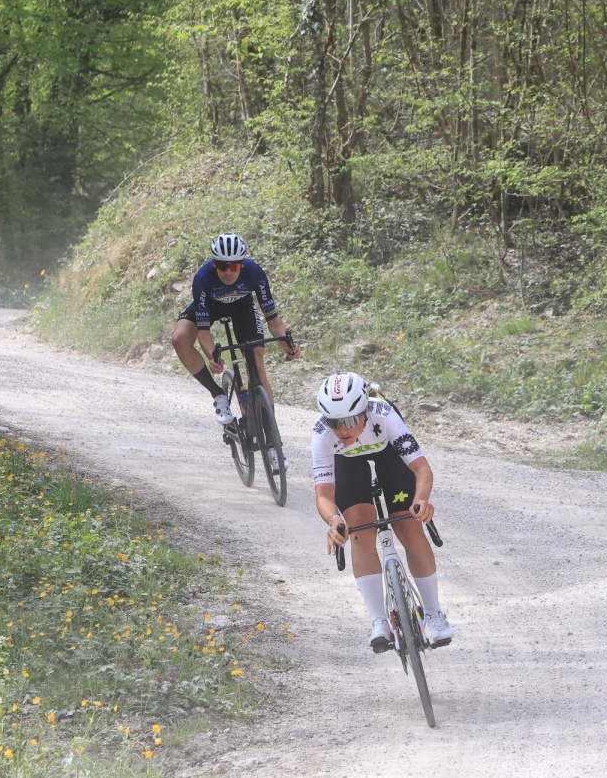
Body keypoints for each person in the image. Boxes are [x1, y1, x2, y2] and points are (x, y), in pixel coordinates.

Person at [312, 372, 453, 652]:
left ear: (365, 411)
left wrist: (421, 500)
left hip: (389, 454)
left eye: (349, 420)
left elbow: (421, 469)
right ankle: (378, 619)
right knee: (359, 531)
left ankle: (434, 613)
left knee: (409, 525)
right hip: (347, 462)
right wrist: (334, 519)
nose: (342, 430)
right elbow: (324, 494)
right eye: (334, 422)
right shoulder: (322, 435)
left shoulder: (384, 415)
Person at [172, 232, 298, 424]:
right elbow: (203, 332)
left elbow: (273, 320)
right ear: (215, 264)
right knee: (179, 338)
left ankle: (271, 436)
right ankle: (218, 395)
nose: (229, 272)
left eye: (235, 266)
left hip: (242, 308)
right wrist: (213, 357)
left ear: (243, 264)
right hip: (211, 307)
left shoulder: (254, 272)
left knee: (257, 362)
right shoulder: (203, 278)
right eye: (223, 266)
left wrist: (287, 345)